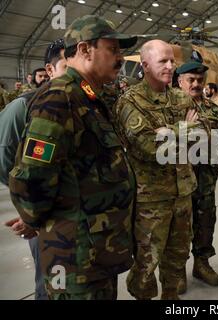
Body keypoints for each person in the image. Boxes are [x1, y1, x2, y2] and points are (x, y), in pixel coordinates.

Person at [8, 15, 138, 300]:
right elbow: (31, 176)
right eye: (113, 49)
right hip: (75, 258)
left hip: (96, 253)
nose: (120, 57)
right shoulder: (59, 98)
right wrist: (35, 217)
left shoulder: (87, 97)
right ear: (85, 50)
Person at [113, 39, 198, 300]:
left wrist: (167, 133)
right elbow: (149, 148)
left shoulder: (181, 97)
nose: (171, 66)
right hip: (151, 200)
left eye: (172, 60)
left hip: (182, 194)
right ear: (146, 64)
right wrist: (181, 130)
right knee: (146, 263)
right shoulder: (131, 101)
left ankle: (170, 298)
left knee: (178, 256)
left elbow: (205, 136)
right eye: (163, 61)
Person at [1, 38, 67, 300]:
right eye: (66, 67)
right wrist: (31, 206)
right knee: (51, 284)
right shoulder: (23, 106)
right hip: (45, 216)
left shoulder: (84, 106)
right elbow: (5, 158)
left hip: (78, 218)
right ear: (49, 72)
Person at [176, 61, 218, 294]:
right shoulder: (170, 108)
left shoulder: (213, 109)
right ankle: (177, 271)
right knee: (181, 226)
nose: (196, 84)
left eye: (199, 80)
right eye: (191, 80)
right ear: (180, 81)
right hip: (180, 182)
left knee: (205, 221)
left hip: (206, 180)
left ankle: (201, 264)